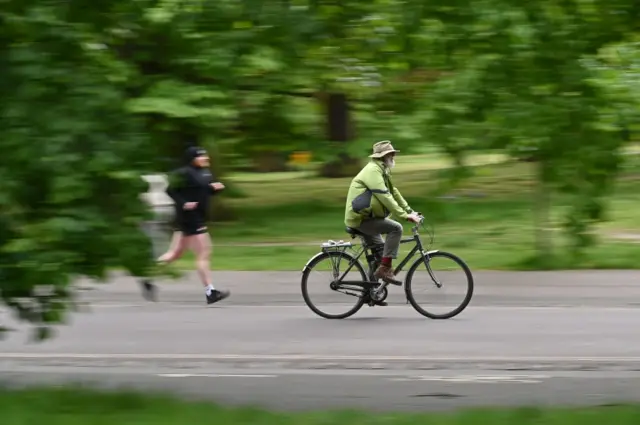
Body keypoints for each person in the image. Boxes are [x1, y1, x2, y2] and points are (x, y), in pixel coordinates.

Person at [151, 146, 231, 305]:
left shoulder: (206, 172)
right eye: (202, 156)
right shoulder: (184, 173)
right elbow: (170, 190)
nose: (206, 158)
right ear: (193, 158)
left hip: (197, 216)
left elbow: (203, 191)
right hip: (190, 218)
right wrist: (184, 203)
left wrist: (215, 189)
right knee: (204, 253)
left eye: (206, 156)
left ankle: (146, 276)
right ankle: (211, 292)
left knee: (174, 254)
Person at [344, 141, 421, 285]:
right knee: (396, 228)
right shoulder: (373, 170)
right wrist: (404, 216)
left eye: (393, 154)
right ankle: (385, 269)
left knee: (379, 254)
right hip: (361, 219)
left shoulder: (382, 170)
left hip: (367, 217)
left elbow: (394, 192)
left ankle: (370, 292)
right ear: (383, 156)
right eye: (390, 154)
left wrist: (410, 211)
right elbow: (384, 196)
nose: (393, 157)